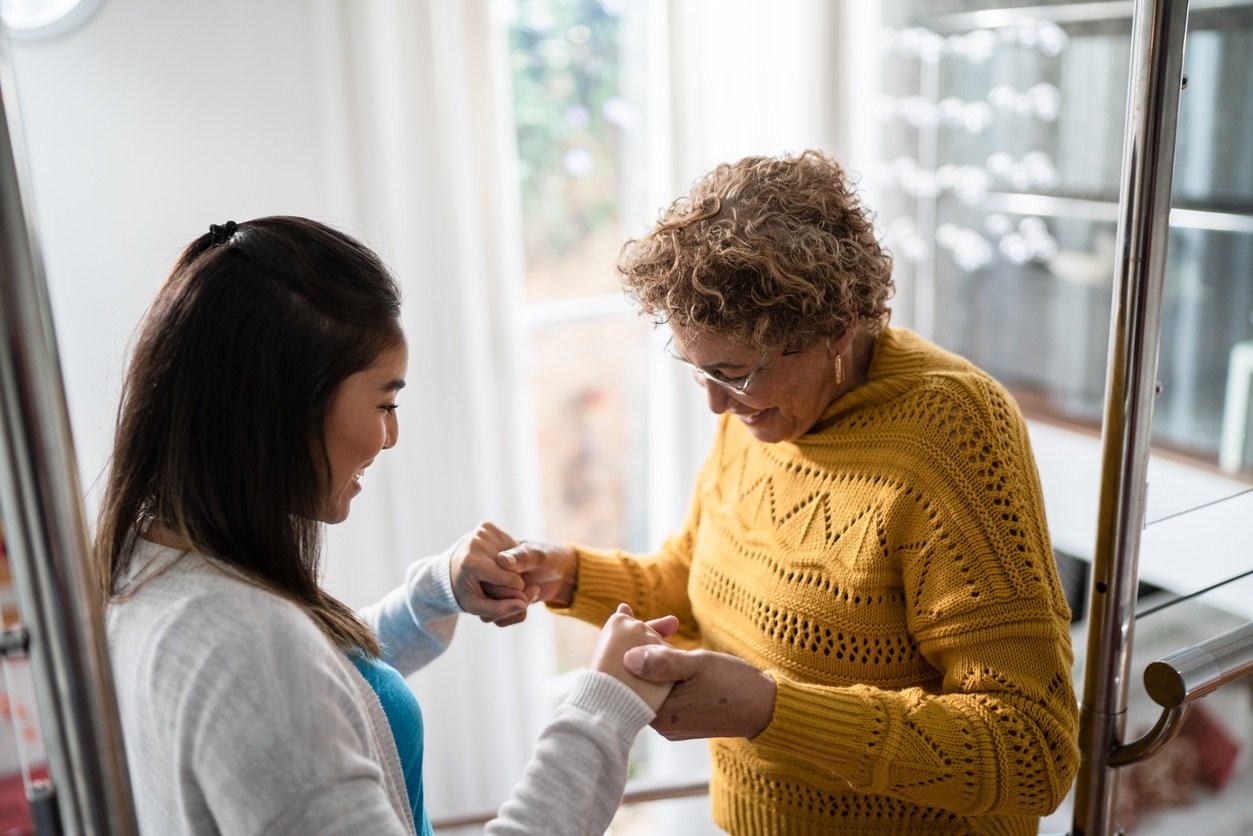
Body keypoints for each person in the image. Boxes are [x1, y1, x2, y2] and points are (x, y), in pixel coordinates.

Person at [489, 150, 1081, 834]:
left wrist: (771, 710)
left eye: (734, 373)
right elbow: (691, 581)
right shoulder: (765, 413)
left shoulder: (951, 433)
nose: (714, 403)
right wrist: (563, 575)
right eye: (696, 369)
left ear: (836, 328)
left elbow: (1031, 751)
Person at [96, 216, 678, 836]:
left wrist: (432, 596)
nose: (390, 436)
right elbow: (280, 685)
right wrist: (602, 713)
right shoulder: (253, 650)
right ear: (284, 408)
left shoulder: (149, 564)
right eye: (384, 403)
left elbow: (317, 698)